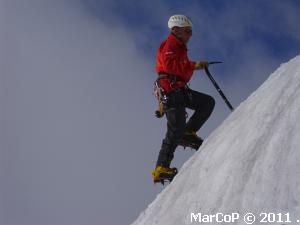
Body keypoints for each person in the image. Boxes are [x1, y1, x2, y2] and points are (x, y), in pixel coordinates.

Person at [152, 15, 215, 184]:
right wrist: (193, 65)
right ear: (175, 30)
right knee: (175, 128)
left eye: (191, 32)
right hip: (171, 90)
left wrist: (193, 65)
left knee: (206, 103)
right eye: (187, 31)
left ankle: (187, 134)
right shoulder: (171, 44)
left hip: (177, 89)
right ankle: (161, 168)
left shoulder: (179, 46)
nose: (190, 35)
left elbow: (178, 69)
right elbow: (170, 66)